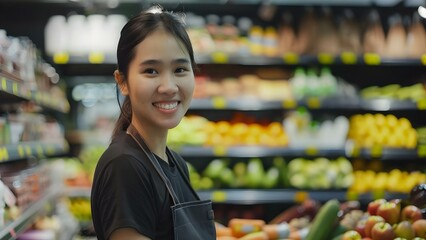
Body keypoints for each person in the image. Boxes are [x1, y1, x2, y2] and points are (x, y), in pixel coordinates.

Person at [90, 6, 216, 240]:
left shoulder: (175, 162)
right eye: (151, 71)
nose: (168, 86)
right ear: (123, 81)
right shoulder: (124, 167)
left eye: (179, 69)